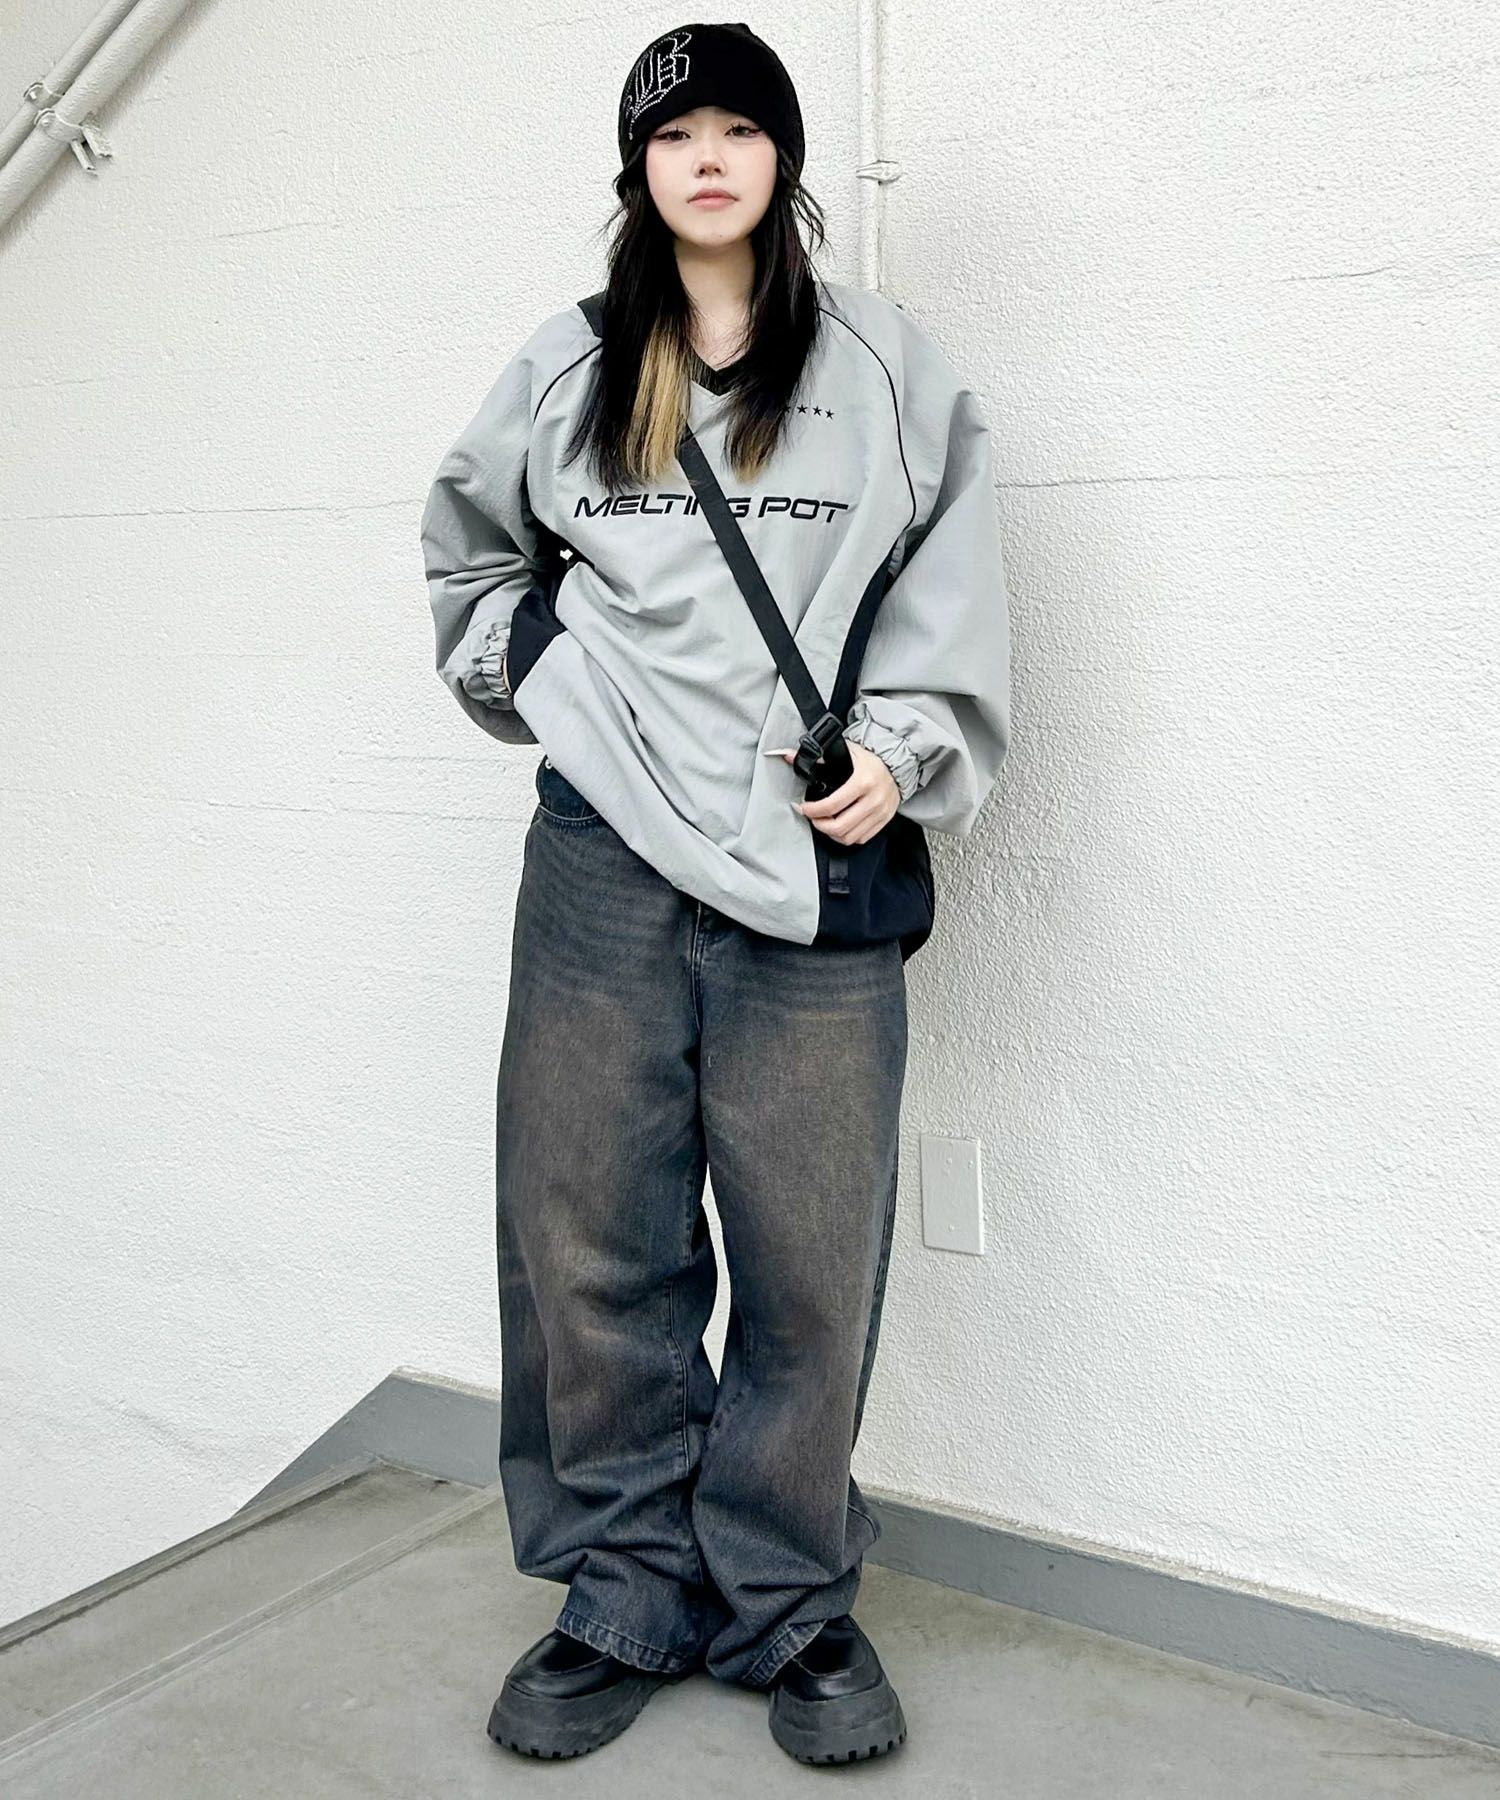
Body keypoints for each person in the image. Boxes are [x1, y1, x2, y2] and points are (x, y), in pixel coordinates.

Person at [420, 19, 1011, 1767]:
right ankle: (621, 1587)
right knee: (587, 1235)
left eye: (741, 131)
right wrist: (538, 678)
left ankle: (787, 1599)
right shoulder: (568, 368)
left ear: (781, 163)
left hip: (809, 873)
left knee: (810, 1257)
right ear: (639, 170)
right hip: (599, 863)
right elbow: (473, 559)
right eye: (676, 136)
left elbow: (954, 578)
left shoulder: (888, 369)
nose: (708, 159)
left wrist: (898, 751)